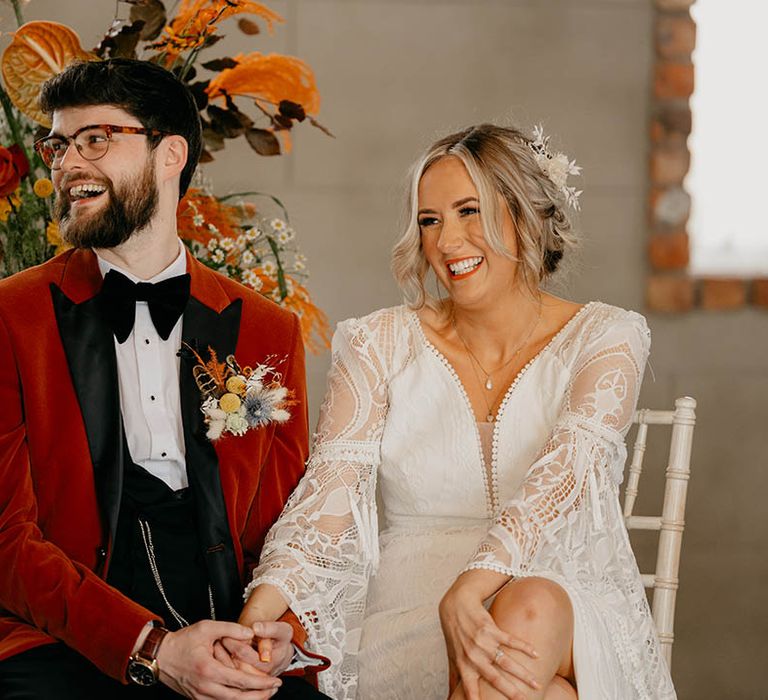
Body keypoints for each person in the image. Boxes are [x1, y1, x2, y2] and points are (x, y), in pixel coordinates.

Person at [240, 123, 677, 699]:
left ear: (522, 215)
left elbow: (568, 473)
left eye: (469, 212)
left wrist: (468, 589)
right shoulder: (377, 344)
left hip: (562, 603)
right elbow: (331, 493)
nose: (447, 241)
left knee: (531, 606)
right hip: (409, 615)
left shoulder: (607, 337)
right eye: (429, 221)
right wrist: (258, 617)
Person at [0, 58, 328, 699]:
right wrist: (147, 645)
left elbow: (282, 524)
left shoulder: (267, 330)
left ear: (170, 153)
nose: (67, 164)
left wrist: (275, 630)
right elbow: (6, 537)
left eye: (96, 139)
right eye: (59, 145)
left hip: (228, 623)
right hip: (65, 635)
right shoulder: (11, 317)